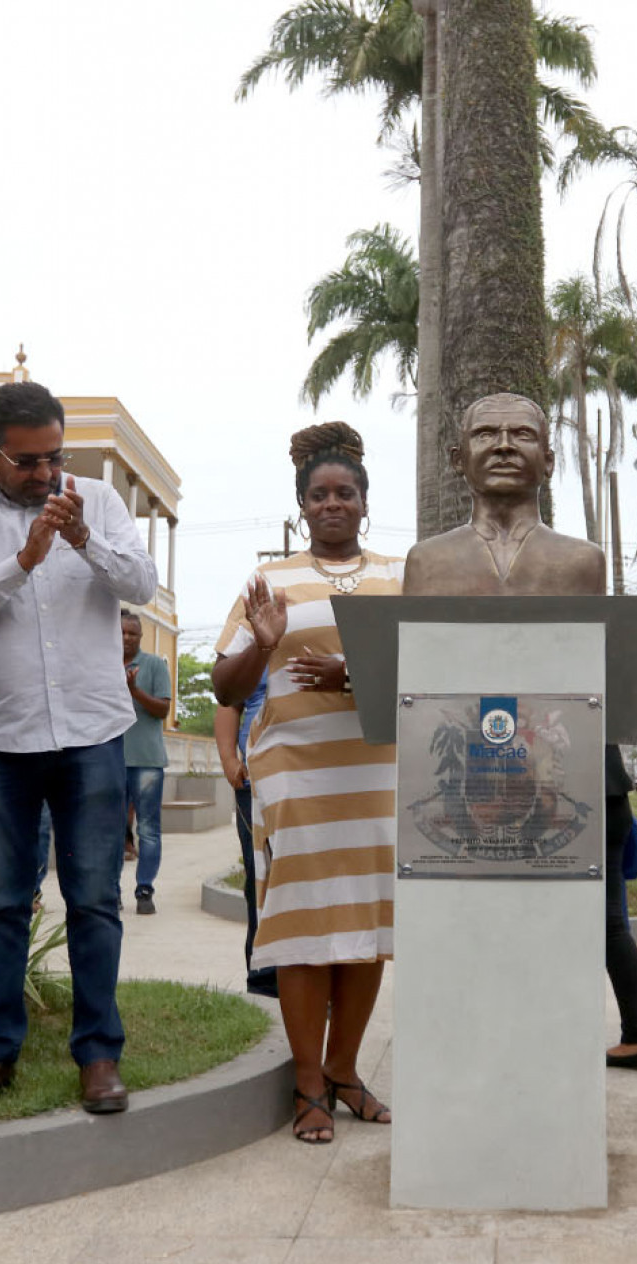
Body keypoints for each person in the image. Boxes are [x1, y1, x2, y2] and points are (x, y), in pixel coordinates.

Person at [402, 392, 637, 1071]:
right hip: (465, 782)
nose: (505, 445)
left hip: (565, 776)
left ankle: (556, 1054)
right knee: (469, 928)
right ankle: (473, 1056)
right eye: (486, 433)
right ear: (459, 458)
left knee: (581, 927)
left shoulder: (581, 563)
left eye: (522, 434)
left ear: (547, 457)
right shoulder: (426, 563)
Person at [0, 379, 156, 1116]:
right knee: (2, 902)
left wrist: (83, 540)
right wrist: (26, 558)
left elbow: (143, 587)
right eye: (27, 462)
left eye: (54, 458)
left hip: (93, 732)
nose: (45, 475)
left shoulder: (96, 499)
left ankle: (98, 1056)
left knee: (94, 899)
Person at [211, 423, 401, 1143]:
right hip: (293, 777)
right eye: (318, 495)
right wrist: (261, 643)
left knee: (365, 926)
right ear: (301, 506)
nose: (332, 504)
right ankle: (308, 1084)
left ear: (363, 503)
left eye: (344, 493)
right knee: (302, 930)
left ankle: (347, 1071)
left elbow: (428, 665)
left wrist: (350, 675)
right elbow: (225, 689)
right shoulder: (270, 583)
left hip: (376, 775)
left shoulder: (397, 577)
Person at [215, 672, 276, 997]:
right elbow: (228, 703)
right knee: (260, 883)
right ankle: (264, 980)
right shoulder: (252, 641)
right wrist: (228, 759)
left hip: (316, 786)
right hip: (254, 787)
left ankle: (318, 986)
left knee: (312, 885)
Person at [121, 612, 171, 915]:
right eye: (122, 632)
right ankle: (110, 891)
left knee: (149, 829)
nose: (127, 638)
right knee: (111, 830)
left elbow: (163, 710)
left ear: (140, 637)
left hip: (147, 761)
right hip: (109, 759)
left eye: (133, 634)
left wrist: (135, 691)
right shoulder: (102, 663)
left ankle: (144, 890)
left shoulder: (153, 665)